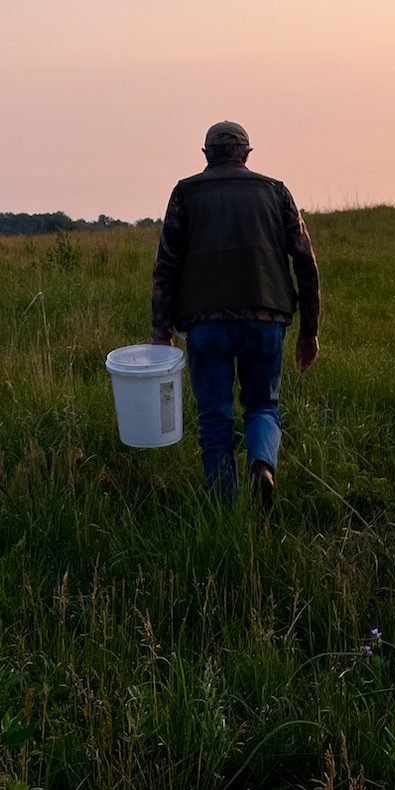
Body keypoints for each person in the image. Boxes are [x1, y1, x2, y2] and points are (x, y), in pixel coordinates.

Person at [151, 121, 321, 509]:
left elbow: (166, 266)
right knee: (263, 406)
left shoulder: (186, 192)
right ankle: (262, 464)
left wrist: (161, 331)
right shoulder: (276, 191)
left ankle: (225, 511)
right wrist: (309, 331)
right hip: (267, 319)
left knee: (214, 419)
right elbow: (306, 263)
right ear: (247, 154)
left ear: (206, 155)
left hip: (205, 323)